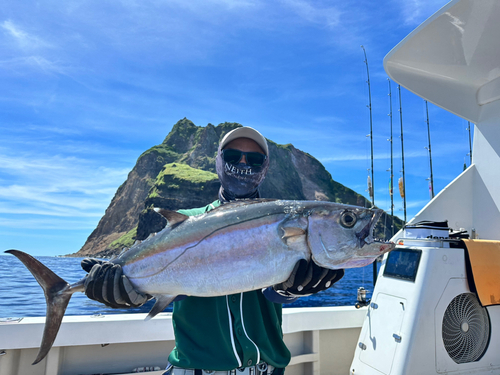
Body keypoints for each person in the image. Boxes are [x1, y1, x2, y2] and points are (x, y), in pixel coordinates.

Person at [82, 127, 344, 375]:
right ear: (219, 162)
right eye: (232, 156)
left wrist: (289, 291)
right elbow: (162, 282)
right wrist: (132, 293)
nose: (242, 164)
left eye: (253, 159)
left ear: (264, 169)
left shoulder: (285, 217)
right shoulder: (186, 222)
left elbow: (275, 294)